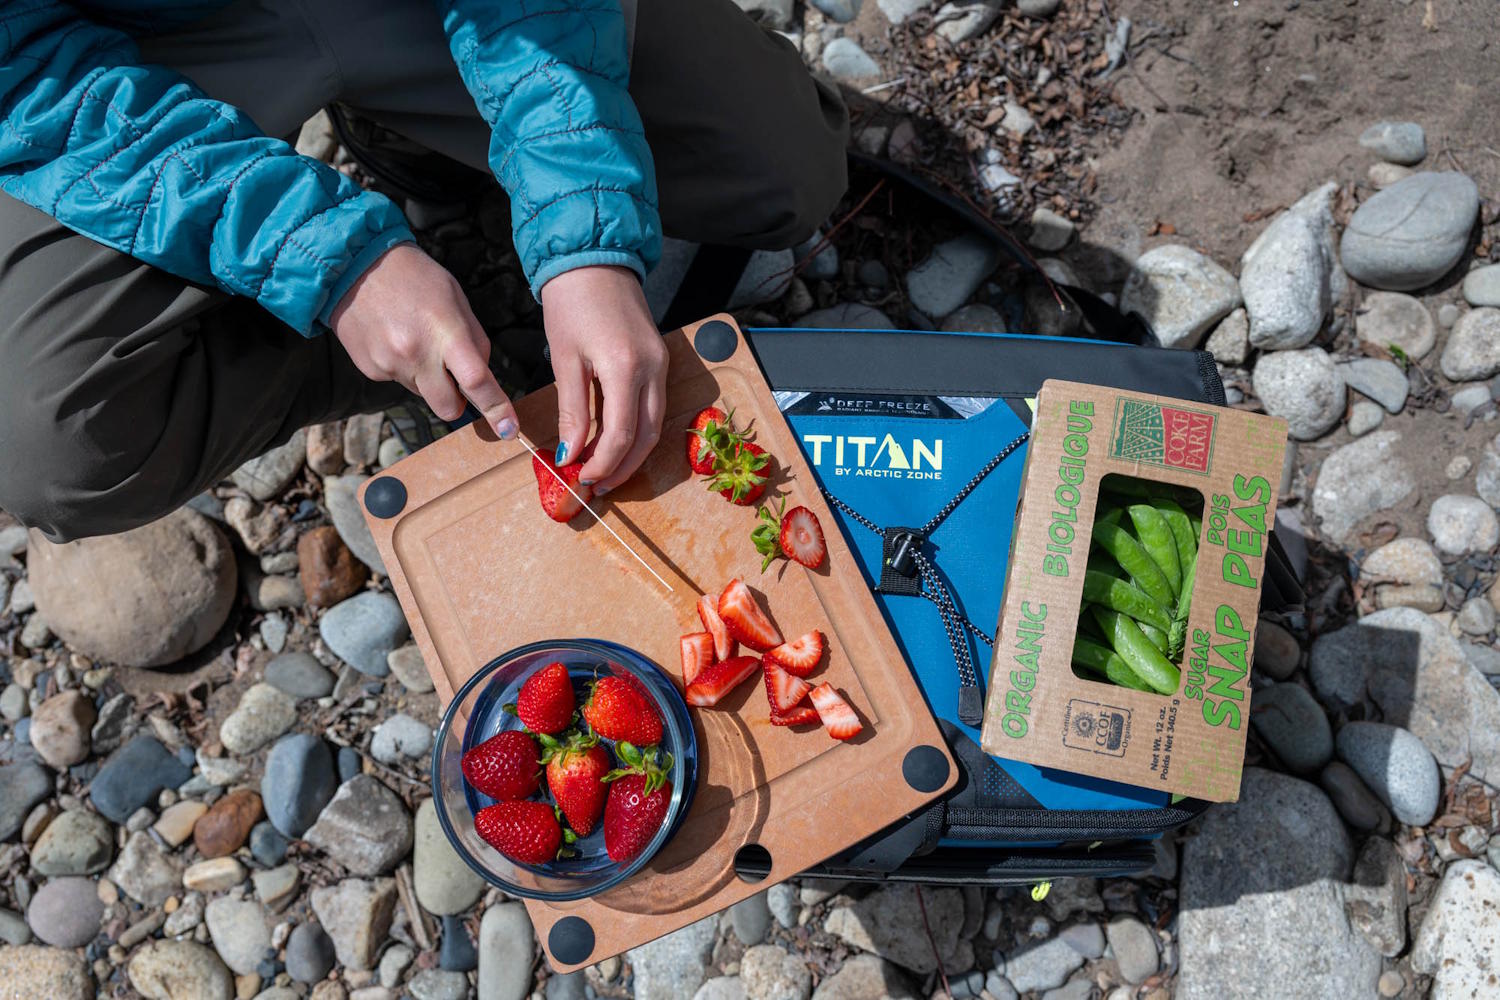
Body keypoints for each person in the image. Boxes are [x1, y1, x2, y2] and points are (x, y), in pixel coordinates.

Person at [0, 0, 847, 541]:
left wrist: (586, 231)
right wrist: (333, 262)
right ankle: (413, 347)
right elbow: (24, 72)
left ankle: (414, 143)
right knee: (64, 447)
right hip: (113, 57)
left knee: (783, 175)